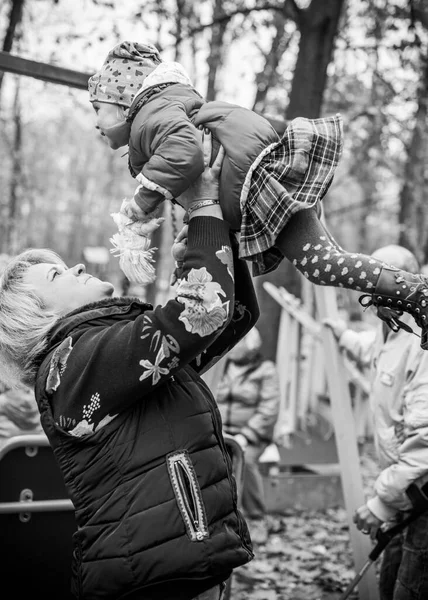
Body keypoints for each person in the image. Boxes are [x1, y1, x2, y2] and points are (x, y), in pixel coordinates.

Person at [0, 132, 259, 600]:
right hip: (150, 578)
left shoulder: (105, 351)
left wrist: (207, 239)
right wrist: (202, 209)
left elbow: (230, 318)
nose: (76, 268)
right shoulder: (72, 366)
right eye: (58, 275)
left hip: (172, 566)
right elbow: (201, 313)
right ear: (39, 318)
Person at [87, 41, 428, 350]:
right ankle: (397, 291)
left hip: (263, 192)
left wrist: (139, 205)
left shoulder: (151, 117)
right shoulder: (162, 113)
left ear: (123, 102)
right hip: (257, 191)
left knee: (323, 265)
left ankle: (414, 290)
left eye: (97, 108)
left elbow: (186, 155)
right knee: (326, 264)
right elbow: (200, 173)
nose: (96, 122)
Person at [323, 244, 428, 600]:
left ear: (408, 284)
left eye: (383, 279)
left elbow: (426, 439)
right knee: (389, 584)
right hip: (406, 492)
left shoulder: (421, 342)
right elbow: (373, 350)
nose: (373, 288)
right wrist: (340, 333)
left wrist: (381, 503)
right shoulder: (393, 330)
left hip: (421, 493)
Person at [216, 327, 280, 545]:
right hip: (221, 430)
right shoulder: (222, 366)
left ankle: (256, 518)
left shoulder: (265, 370)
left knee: (246, 461)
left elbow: (269, 409)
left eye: (239, 342)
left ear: (250, 345)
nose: (234, 346)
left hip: (252, 436)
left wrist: (246, 435)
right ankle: (219, 518)